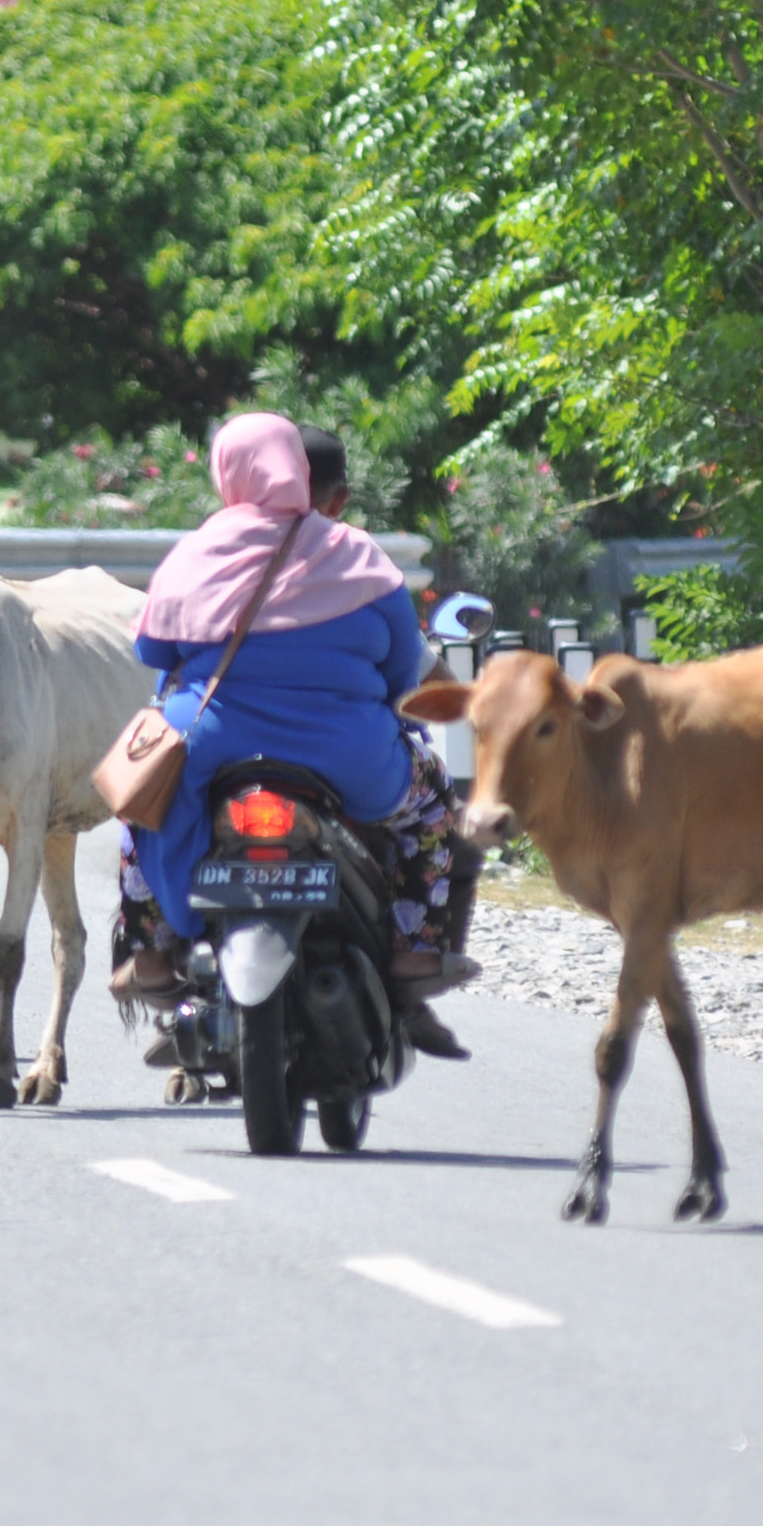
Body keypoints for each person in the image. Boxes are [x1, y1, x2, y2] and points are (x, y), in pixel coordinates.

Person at [110, 412, 469, 1058]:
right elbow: (399, 671)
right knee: (434, 806)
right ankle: (416, 949)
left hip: (208, 749)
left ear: (226, 472)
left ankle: (154, 954)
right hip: (350, 757)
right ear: (298, 472)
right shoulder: (354, 551)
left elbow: (154, 651)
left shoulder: (194, 553)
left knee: (141, 812)